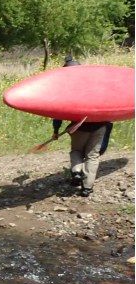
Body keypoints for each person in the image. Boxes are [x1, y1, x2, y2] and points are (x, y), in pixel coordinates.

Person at [51, 56, 113, 197]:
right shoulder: (95, 85)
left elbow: (58, 113)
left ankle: (77, 172)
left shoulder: (65, 90)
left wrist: (56, 131)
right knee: (92, 156)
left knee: (77, 151)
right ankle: (87, 188)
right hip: (100, 126)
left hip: (79, 127)